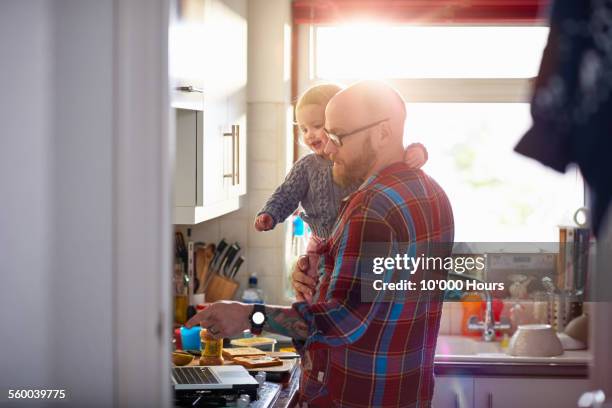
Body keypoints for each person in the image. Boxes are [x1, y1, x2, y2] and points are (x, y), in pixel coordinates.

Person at [186, 80, 454, 407]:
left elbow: (344, 319)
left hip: (351, 397)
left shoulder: (371, 207)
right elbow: (383, 293)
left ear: (383, 133)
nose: (327, 148)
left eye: (338, 136)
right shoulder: (433, 194)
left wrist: (249, 316)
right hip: (405, 394)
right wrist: (321, 271)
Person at [254, 83, 428, 302]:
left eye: (318, 126)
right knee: (309, 292)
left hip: (353, 243)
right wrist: (270, 213)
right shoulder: (307, 166)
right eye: (304, 129)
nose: (310, 135)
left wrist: (417, 152)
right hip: (320, 241)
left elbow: (393, 157)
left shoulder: (361, 163)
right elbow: (286, 194)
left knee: (332, 296)